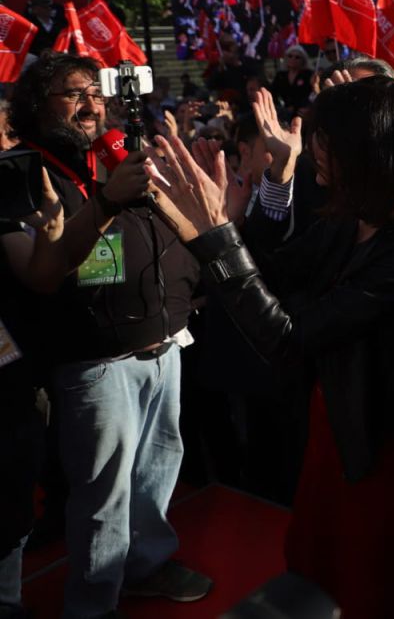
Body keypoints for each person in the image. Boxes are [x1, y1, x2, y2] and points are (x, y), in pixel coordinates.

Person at [146, 76, 394, 618]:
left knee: (384, 587)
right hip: (333, 425)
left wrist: (216, 233)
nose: (316, 158)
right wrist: (227, 215)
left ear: (369, 154)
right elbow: (271, 271)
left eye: (327, 147)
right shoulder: (350, 223)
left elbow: (289, 338)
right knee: (328, 576)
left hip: (378, 449)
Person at [8, 55, 209, 617]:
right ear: (37, 104)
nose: (90, 104)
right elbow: (41, 275)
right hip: (95, 363)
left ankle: (145, 567)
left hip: (165, 344)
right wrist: (106, 198)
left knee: (156, 474)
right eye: (73, 94)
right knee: (103, 497)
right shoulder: (23, 171)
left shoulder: (117, 150)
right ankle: (93, 602)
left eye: (95, 92)